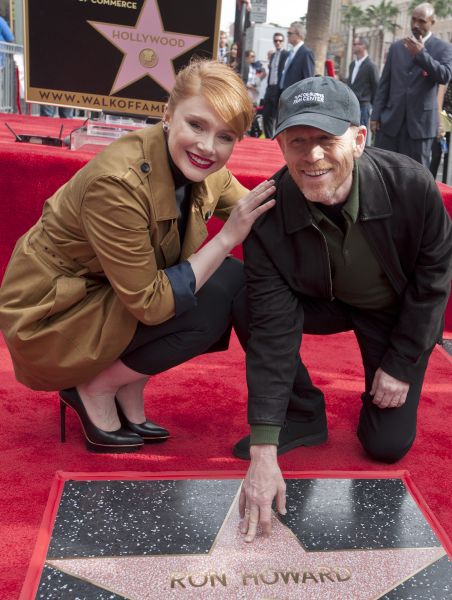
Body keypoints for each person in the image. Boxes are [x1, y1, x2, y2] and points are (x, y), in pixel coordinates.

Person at [0, 60, 275, 454]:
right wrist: (227, 238)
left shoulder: (203, 166)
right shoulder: (117, 184)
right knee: (213, 297)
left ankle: (129, 382)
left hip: (102, 294)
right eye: (196, 125)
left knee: (228, 280)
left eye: (225, 137)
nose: (207, 147)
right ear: (167, 114)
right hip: (50, 316)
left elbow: (256, 211)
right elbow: (151, 302)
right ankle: (96, 388)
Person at [233, 76, 452, 542]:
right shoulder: (268, 213)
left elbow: (433, 283)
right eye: (298, 142)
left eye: (327, 140)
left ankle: (377, 391)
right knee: (243, 296)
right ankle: (303, 413)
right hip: (318, 300)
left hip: (388, 312)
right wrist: (264, 447)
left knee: (386, 446)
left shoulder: (412, 187)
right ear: (280, 146)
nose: (312, 157)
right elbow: (272, 329)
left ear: (359, 139)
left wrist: (400, 364)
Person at [371, 3, 452, 167]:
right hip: (390, 124)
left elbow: (444, 76)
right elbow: (384, 84)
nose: (416, 25)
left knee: (415, 177)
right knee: (383, 171)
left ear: (432, 22)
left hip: (420, 128)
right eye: (413, 20)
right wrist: (376, 115)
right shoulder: (396, 47)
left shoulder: (443, 48)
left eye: (422, 21)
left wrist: (421, 55)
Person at [347, 37, 379, 133]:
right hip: (351, 106)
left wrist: (374, 109)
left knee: (359, 135)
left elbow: (376, 88)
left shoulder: (371, 66)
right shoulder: (352, 64)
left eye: (355, 44)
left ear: (363, 46)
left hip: (363, 108)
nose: (353, 46)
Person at [262, 32, 289, 138]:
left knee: (277, 117)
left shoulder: (286, 54)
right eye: (276, 40)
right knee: (266, 115)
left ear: (283, 42)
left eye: (280, 40)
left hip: (279, 89)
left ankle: (277, 140)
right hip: (270, 88)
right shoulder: (273, 55)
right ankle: (269, 139)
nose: (278, 42)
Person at [279, 22, 315, 93]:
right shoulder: (289, 53)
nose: (287, 36)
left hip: (295, 95)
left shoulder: (306, 53)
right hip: (284, 93)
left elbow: (308, 79)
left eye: (290, 33)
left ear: (299, 35)